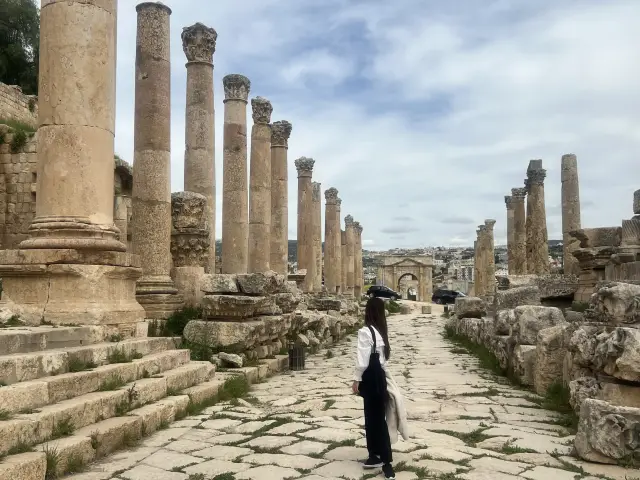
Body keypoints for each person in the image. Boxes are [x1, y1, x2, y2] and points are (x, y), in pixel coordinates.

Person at [351, 296, 395, 480]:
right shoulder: (380, 332)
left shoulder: (365, 332)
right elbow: (383, 360)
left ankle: (382, 458)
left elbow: (362, 359)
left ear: (368, 311)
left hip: (369, 376)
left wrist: (356, 379)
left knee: (372, 416)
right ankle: (377, 455)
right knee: (379, 416)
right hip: (379, 377)